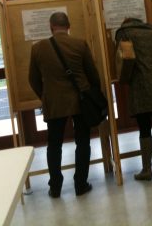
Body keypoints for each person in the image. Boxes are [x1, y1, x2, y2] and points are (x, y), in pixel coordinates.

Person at [28, 12, 100, 198]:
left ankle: (55, 187)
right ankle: (80, 184)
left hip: (54, 102)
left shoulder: (38, 48)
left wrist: (45, 96)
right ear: (68, 26)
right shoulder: (80, 44)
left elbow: (33, 79)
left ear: (51, 27)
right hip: (80, 101)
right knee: (82, 142)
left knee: (54, 145)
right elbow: (92, 74)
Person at [115, 18, 152, 180]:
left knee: (144, 127)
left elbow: (122, 59)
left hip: (139, 84)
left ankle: (147, 170)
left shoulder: (123, 33)